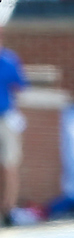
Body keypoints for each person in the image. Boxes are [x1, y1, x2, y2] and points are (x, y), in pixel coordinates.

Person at [0, 25, 27, 227]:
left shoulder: (9, 60)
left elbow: (20, 87)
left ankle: (9, 208)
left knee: (10, 165)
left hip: (5, 118)